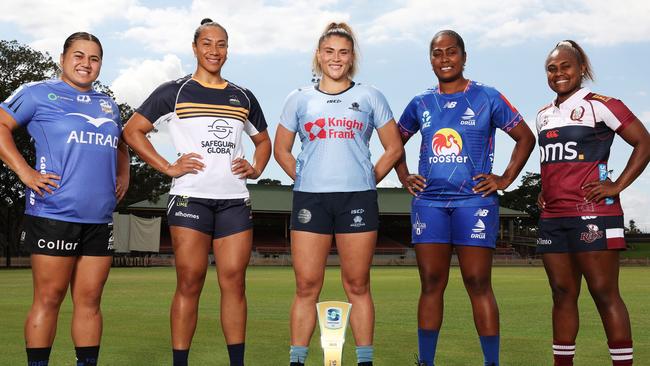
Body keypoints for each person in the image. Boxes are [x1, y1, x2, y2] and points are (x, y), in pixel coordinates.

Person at [122, 18, 271, 366]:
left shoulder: (243, 95)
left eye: (221, 44)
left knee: (234, 283)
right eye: (207, 43)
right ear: (195, 48)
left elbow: (262, 141)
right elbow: (132, 131)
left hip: (234, 199)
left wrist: (257, 167)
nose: (214, 50)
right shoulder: (173, 91)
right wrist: (167, 167)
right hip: (190, 198)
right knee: (190, 281)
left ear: (227, 50)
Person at [394, 30, 535, 366]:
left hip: (474, 203)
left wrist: (505, 178)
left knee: (477, 282)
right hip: (429, 203)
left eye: (451, 52)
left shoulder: (487, 96)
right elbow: (393, 141)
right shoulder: (421, 102)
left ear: (464, 56)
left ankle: (491, 362)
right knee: (431, 283)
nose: (445, 59)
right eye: (437, 53)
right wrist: (402, 175)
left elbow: (525, 138)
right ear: (430, 60)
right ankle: (425, 361)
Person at [274, 22, 403, 366]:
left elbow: (393, 147)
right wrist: (303, 177)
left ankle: (364, 360)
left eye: (343, 52)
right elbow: (281, 150)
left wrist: (368, 177)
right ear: (318, 55)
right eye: (329, 51)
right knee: (306, 286)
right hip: (310, 199)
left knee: (357, 284)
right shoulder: (299, 97)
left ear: (351, 58)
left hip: (356, 198)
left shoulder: (370, 96)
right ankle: (297, 360)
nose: (336, 58)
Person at [0, 32, 129, 366]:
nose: (86, 64)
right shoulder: (37, 93)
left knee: (90, 302)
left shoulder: (108, 105)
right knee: (49, 297)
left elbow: (123, 145)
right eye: (78, 55)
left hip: (99, 219)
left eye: (94, 58)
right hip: (54, 213)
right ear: (63, 58)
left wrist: (123, 175)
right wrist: (26, 173)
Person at [536, 40, 650, 366]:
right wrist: (545, 189)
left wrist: (617, 184)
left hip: (594, 214)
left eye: (565, 66)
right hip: (553, 218)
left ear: (581, 69)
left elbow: (644, 142)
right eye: (552, 68)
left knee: (604, 293)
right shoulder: (543, 115)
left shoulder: (602, 105)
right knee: (561, 294)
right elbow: (556, 161)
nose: (558, 73)